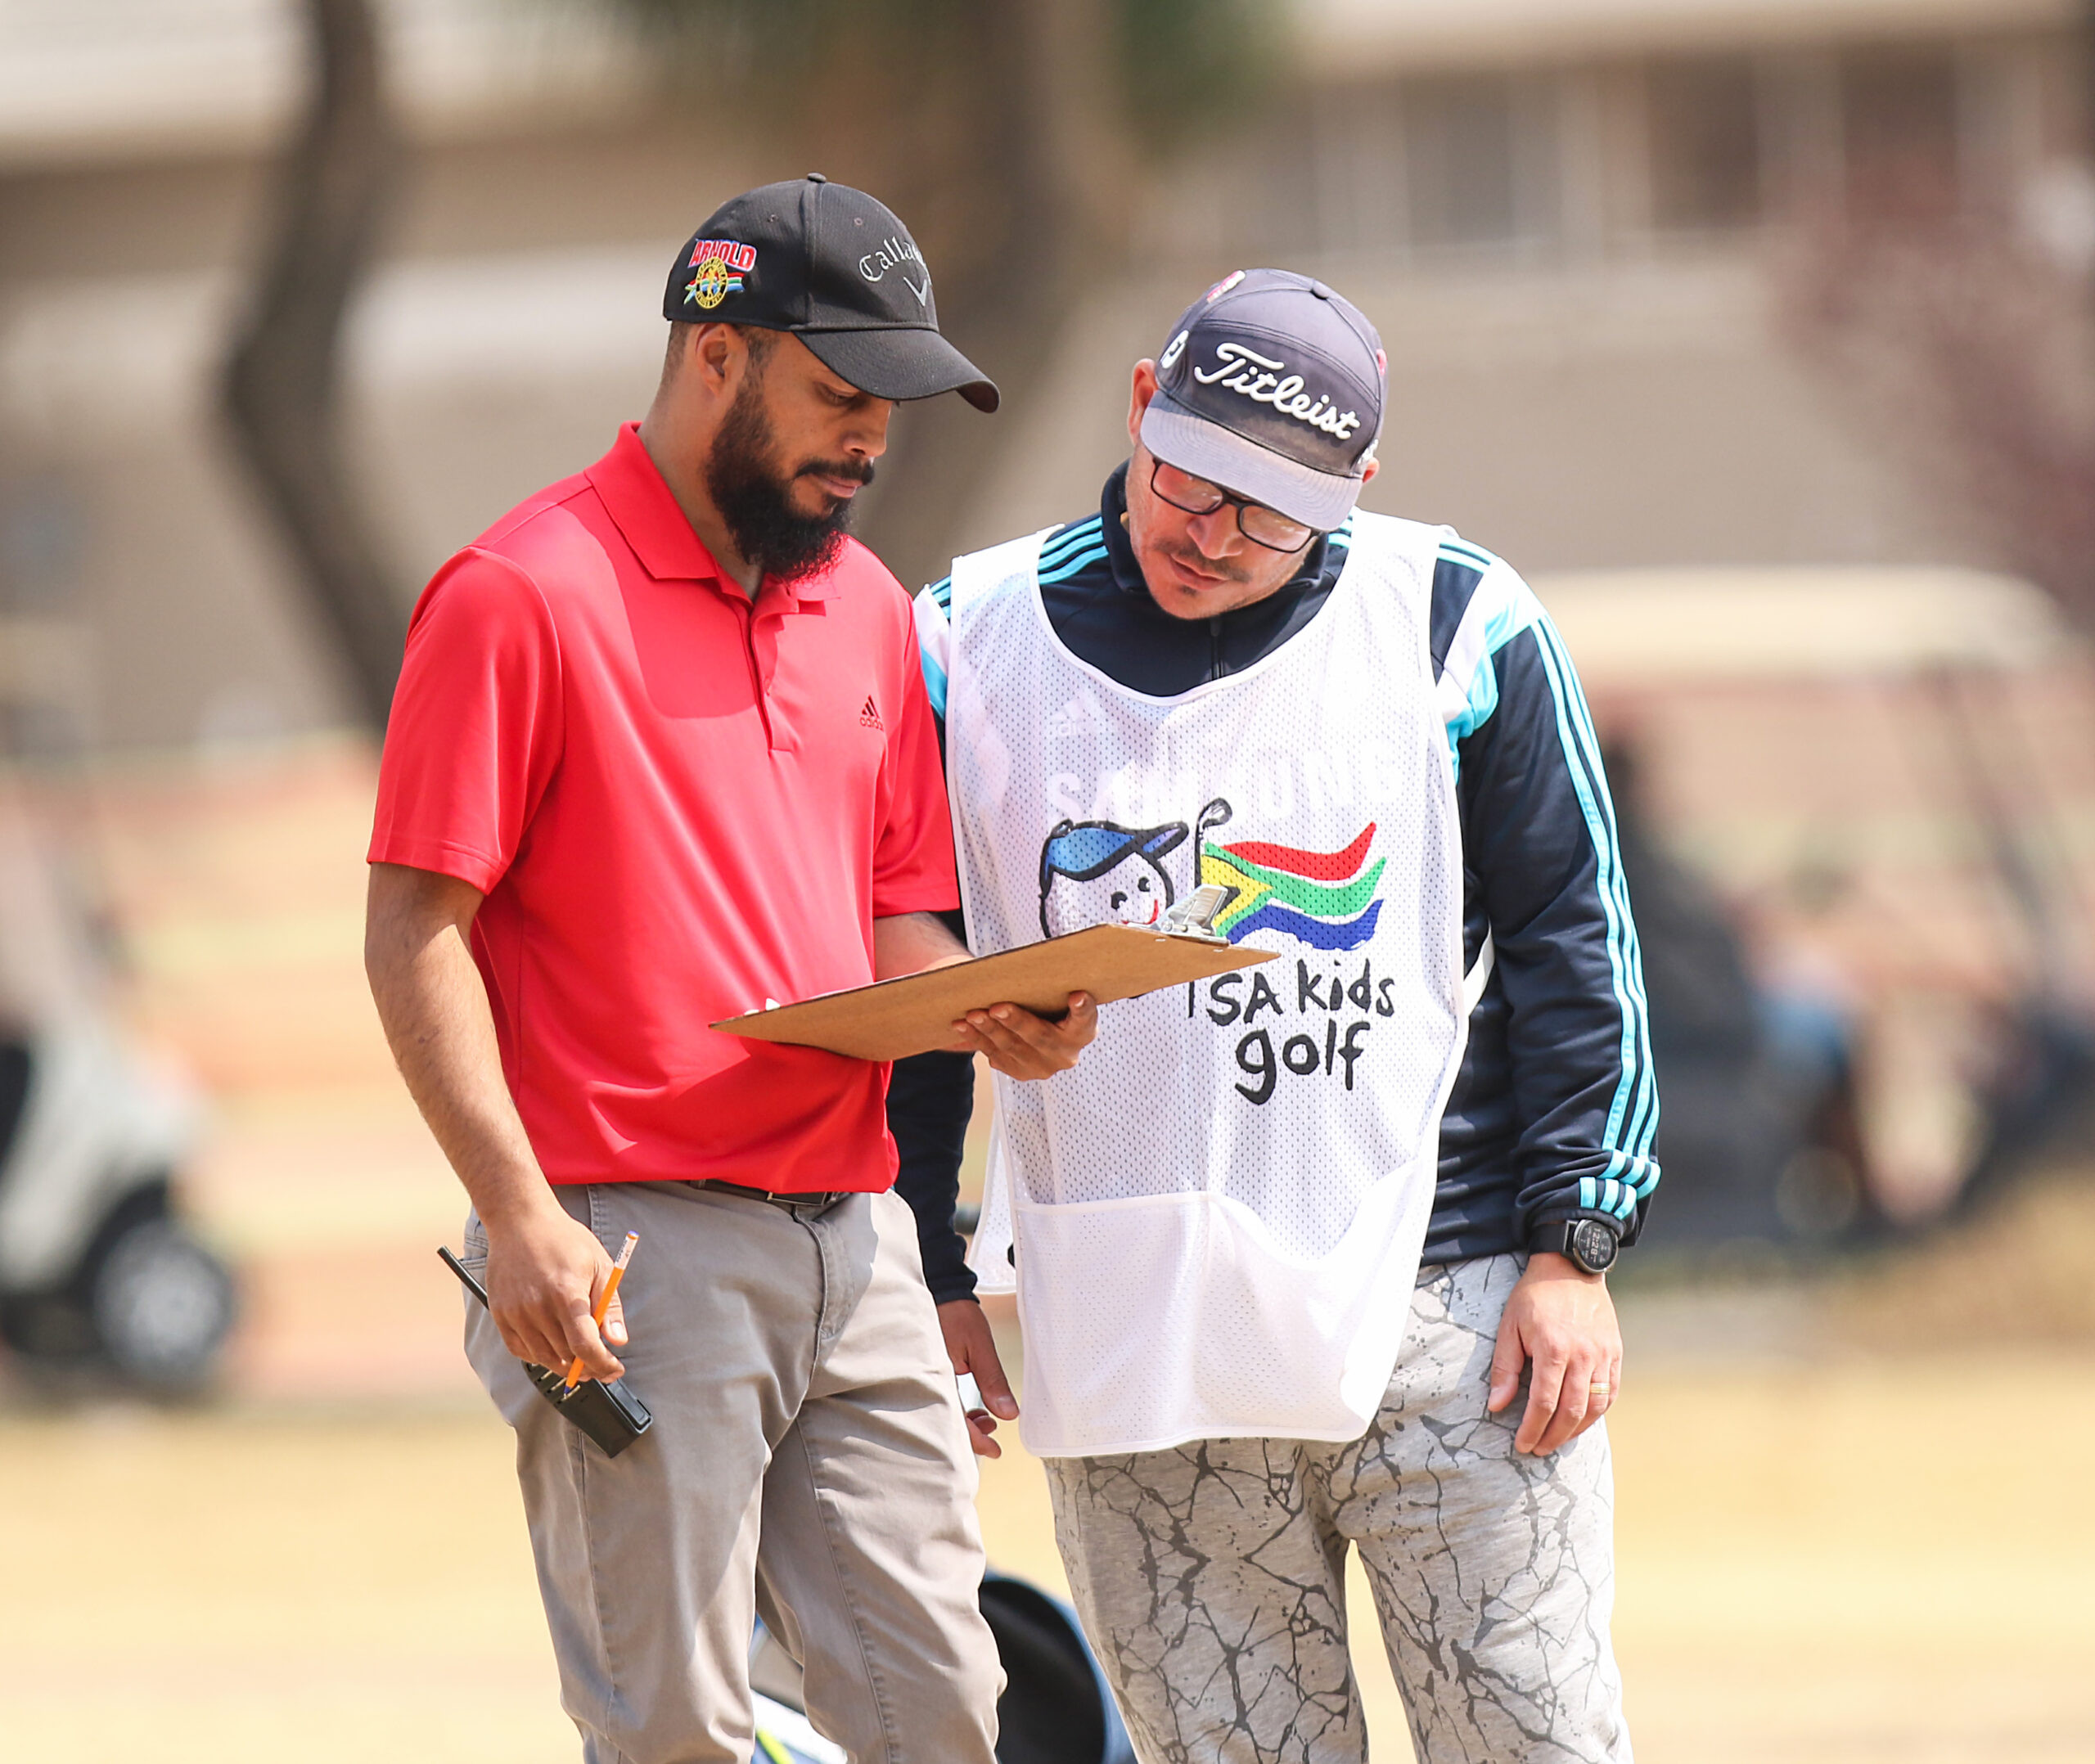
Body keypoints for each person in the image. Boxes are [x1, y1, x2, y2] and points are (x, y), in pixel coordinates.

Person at [363, 176, 1096, 1764]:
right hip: (625, 1250)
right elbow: (414, 930)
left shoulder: (869, 610)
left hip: (855, 1239)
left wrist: (989, 1002)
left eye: (890, 405)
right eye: (840, 393)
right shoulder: (519, 595)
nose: (870, 439)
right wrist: (515, 1215)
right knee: (675, 1729)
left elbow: (892, 915)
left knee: (944, 1711)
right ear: (717, 355)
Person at [890, 268, 1659, 1762]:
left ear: (1356, 489)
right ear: (1140, 405)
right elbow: (913, 974)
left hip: (1451, 1312)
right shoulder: (961, 637)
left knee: (1540, 1740)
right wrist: (931, 1262)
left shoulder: (1456, 619)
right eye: (1189, 480)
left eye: (1269, 515)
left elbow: (1578, 940)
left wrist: (1576, 1245)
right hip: (1134, 1329)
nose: (1211, 535)